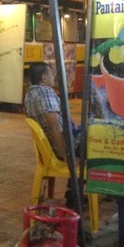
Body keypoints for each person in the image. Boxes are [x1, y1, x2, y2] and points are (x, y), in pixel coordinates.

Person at [24, 63, 83, 209]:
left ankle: (75, 191)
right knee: (95, 140)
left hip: (49, 147)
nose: (54, 76)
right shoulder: (46, 93)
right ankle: (75, 193)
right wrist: (67, 156)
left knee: (86, 134)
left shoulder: (29, 95)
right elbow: (55, 128)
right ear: (44, 78)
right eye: (51, 73)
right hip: (59, 147)